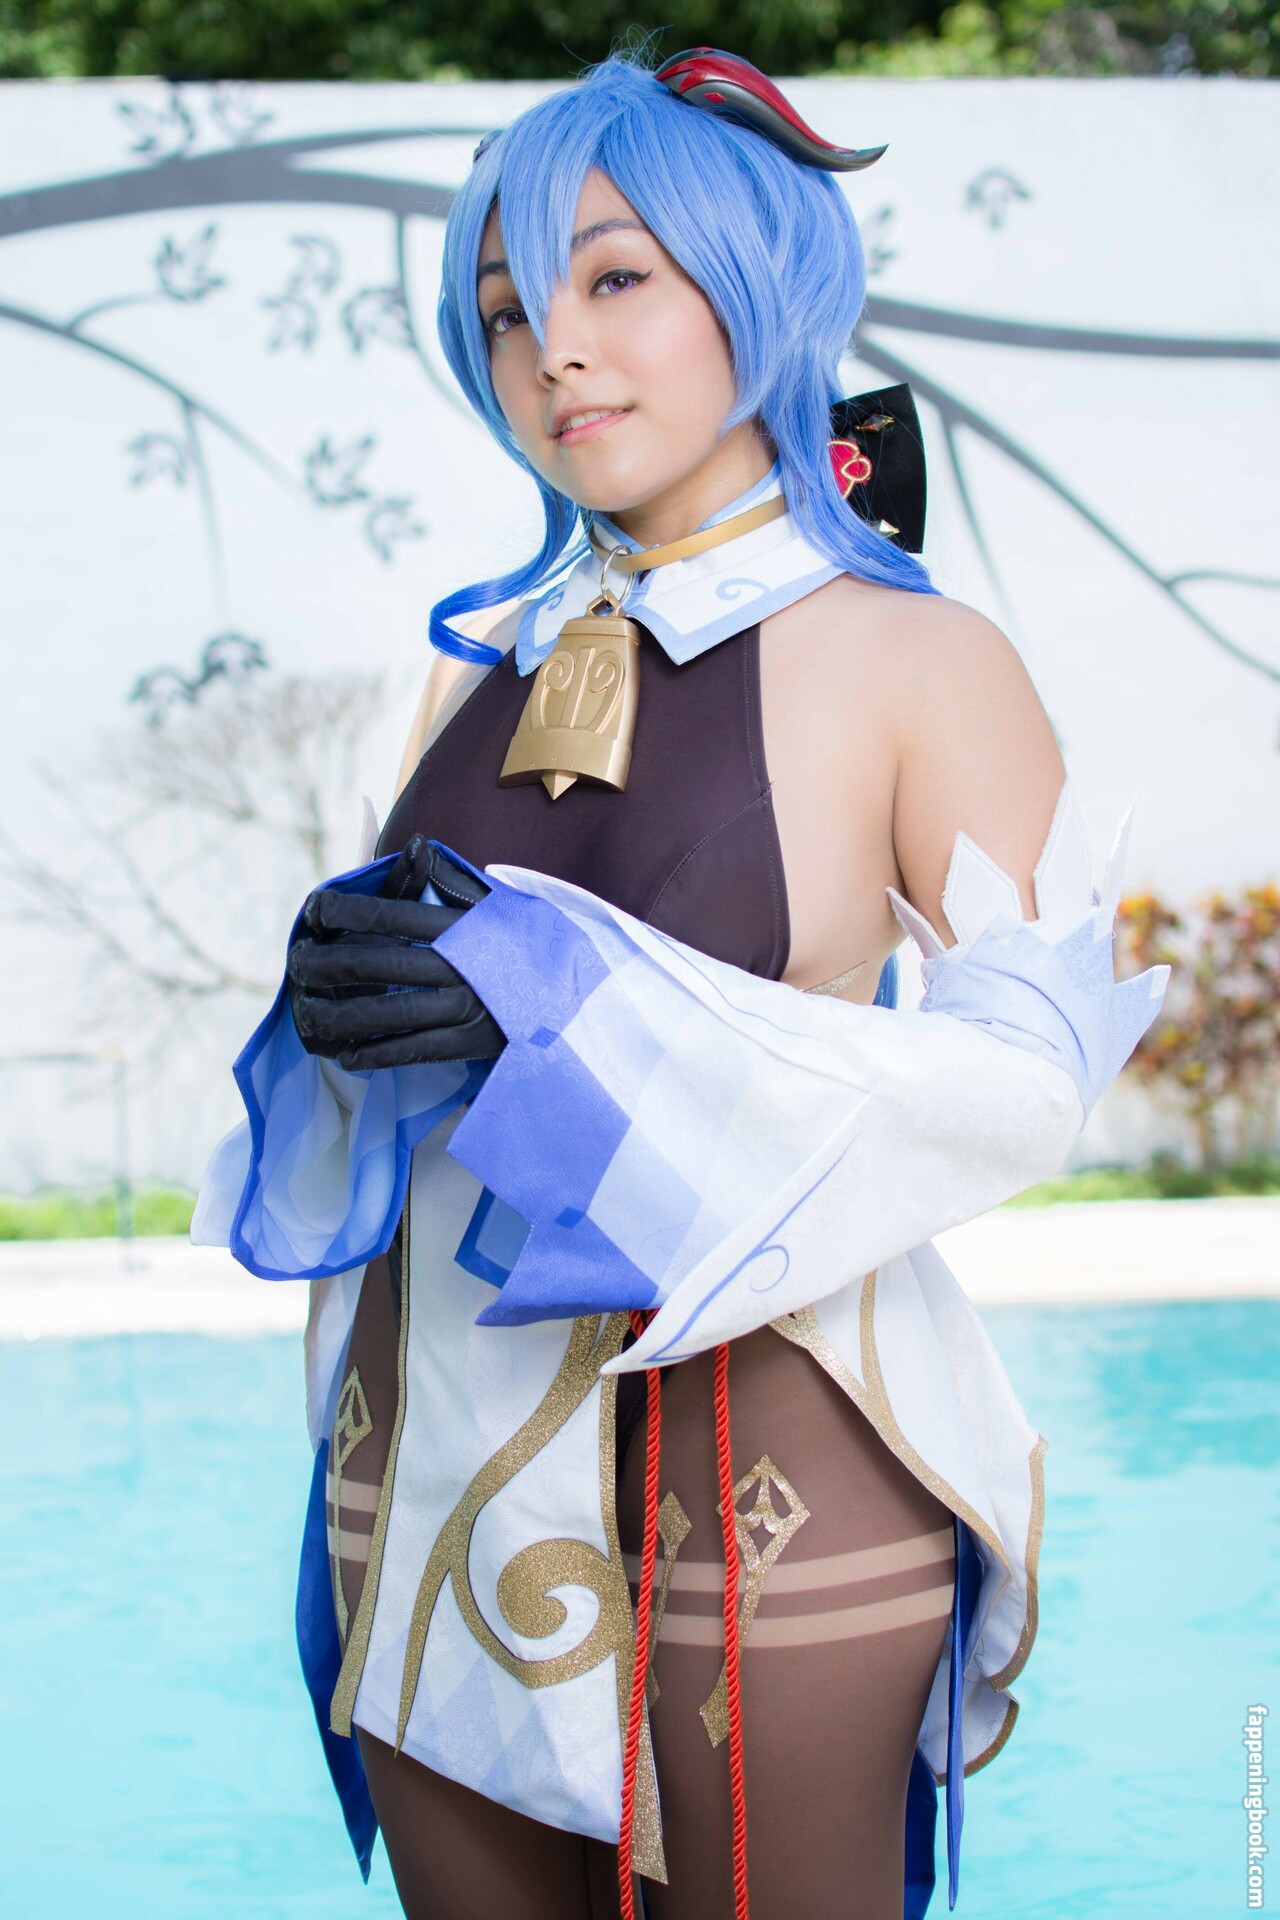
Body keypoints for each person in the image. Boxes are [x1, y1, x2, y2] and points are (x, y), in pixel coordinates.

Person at [193, 46, 1168, 1920]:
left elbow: (1034, 1075)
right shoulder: (479, 664)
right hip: (421, 1464)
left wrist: (574, 1010)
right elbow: (424, 1066)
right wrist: (328, 1008)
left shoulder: (917, 656)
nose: (553, 349)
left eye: (615, 277)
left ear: (759, 280)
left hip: (758, 1462)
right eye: (505, 309)